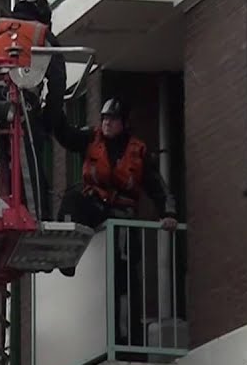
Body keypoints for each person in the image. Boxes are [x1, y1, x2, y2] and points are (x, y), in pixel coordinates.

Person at [0, 0, 67, 220]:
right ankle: (37, 217)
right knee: (30, 161)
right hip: (20, 102)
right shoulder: (42, 34)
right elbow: (57, 82)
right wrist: (49, 120)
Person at [54, 97, 178, 271]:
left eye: (113, 119)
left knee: (123, 261)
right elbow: (66, 136)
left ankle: (126, 282)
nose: (107, 123)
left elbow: (157, 185)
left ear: (124, 123)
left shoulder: (138, 151)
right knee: (72, 198)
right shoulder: (91, 138)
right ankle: (66, 256)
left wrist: (168, 213)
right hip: (96, 205)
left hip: (122, 212)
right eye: (104, 118)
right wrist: (55, 109)